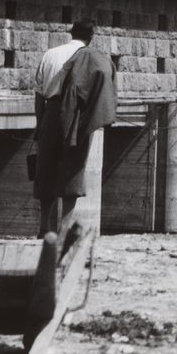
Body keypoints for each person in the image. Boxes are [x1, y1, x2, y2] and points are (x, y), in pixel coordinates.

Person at [32, 18, 118, 236]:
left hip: (50, 113)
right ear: (91, 37)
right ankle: (64, 227)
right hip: (77, 116)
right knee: (73, 169)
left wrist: (40, 124)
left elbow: (39, 94)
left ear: (71, 33)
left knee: (46, 168)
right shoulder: (93, 57)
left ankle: (43, 227)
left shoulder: (50, 54)